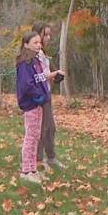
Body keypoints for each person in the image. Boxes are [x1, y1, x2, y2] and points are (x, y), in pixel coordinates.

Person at [15, 32, 50, 185]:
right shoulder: (25, 63)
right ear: (26, 44)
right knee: (30, 136)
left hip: (38, 103)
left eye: (39, 42)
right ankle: (26, 170)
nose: (39, 45)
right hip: (31, 104)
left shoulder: (36, 61)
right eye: (35, 42)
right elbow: (26, 85)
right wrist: (38, 96)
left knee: (35, 136)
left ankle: (32, 168)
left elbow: (40, 79)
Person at [31, 22, 66, 171]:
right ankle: (39, 159)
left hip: (46, 93)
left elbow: (45, 75)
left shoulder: (42, 53)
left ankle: (50, 157)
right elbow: (38, 76)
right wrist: (54, 73)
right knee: (42, 128)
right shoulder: (34, 54)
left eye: (49, 34)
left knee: (50, 127)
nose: (48, 37)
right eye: (45, 34)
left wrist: (54, 77)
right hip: (38, 96)